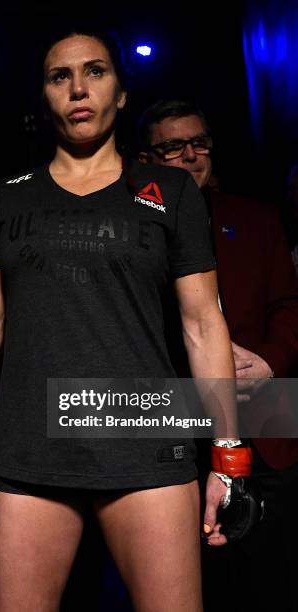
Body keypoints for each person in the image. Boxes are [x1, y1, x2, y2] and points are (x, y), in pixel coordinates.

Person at [0, 30, 245, 612]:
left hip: (145, 449)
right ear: (44, 96)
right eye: (60, 76)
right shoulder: (9, 196)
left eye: (96, 71)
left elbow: (203, 325)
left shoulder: (170, 191)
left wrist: (228, 453)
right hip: (31, 454)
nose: (78, 88)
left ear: (121, 93)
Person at [138, 98, 298, 611]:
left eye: (198, 142)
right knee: (191, 585)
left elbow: (291, 306)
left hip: (268, 418)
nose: (190, 155)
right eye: (172, 147)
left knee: (271, 581)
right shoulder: (133, 234)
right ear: (147, 160)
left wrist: (271, 359)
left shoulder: (257, 218)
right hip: (174, 427)